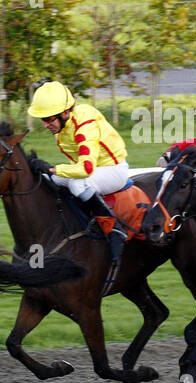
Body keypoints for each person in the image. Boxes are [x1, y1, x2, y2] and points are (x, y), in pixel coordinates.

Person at [27, 81, 130, 259]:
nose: (45, 124)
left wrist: (52, 168)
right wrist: (47, 172)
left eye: (49, 118)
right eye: (42, 119)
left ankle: (115, 230)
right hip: (96, 171)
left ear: (65, 112)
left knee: (77, 184)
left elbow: (86, 168)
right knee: (46, 180)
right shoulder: (65, 124)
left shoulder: (85, 124)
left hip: (114, 170)